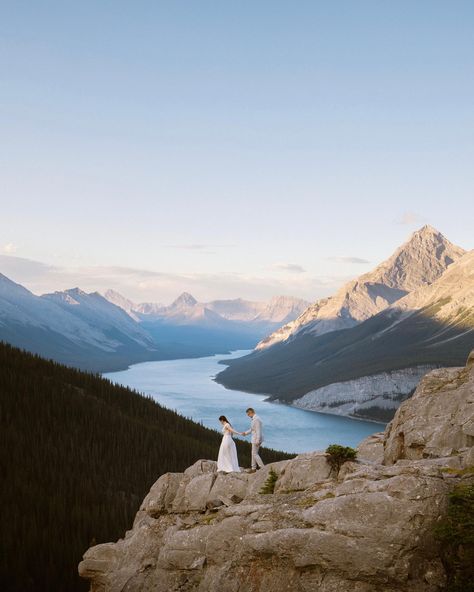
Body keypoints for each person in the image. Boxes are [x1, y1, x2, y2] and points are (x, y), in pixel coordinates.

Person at [242, 408, 264, 473]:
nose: (248, 416)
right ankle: (253, 468)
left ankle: (263, 468)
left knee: (255, 454)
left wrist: (257, 440)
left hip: (256, 439)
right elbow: (252, 429)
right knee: (253, 453)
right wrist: (245, 433)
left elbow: (258, 430)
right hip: (255, 438)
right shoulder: (255, 418)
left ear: (251, 412)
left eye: (248, 414)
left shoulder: (256, 419)